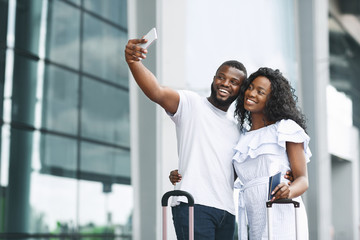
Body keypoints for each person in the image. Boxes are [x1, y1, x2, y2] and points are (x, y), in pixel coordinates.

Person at [125, 37, 247, 239]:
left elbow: (233, 172)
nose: (225, 83)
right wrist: (133, 61)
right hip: (194, 205)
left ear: (240, 90)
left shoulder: (238, 130)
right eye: (221, 77)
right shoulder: (191, 104)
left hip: (227, 212)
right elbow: (156, 91)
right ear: (213, 79)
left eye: (234, 82)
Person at [233, 67, 310, 239]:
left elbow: (303, 180)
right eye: (250, 87)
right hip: (255, 216)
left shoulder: (285, 128)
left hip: (283, 211)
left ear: (272, 100)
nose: (251, 93)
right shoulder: (242, 138)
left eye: (260, 91)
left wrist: (288, 191)